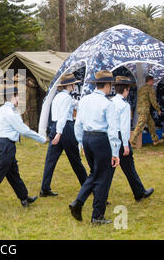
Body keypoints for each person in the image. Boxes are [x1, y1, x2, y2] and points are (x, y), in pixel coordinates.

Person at [0, 86, 47, 213]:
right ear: (13, 97)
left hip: (0, 144)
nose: (19, 99)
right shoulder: (12, 113)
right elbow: (24, 130)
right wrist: (42, 139)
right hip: (6, 146)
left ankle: (24, 197)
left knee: (13, 173)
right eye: (18, 96)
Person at [69, 70, 120, 225]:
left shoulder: (84, 100)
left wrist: (81, 142)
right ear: (108, 85)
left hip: (87, 137)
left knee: (95, 174)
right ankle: (97, 215)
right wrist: (116, 152)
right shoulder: (107, 103)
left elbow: (78, 123)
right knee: (103, 178)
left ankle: (79, 203)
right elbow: (112, 130)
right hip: (101, 140)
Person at [39, 73, 88, 197]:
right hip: (65, 128)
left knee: (51, 159)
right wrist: (59, 133)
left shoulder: (58, 97)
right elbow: (63, 116)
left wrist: (56, 132)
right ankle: (87, 186)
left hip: (56, 127)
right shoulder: (66, 98)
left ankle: (45, 188)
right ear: (70, 85)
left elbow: (74, 104)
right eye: (74, 85)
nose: (74, 87)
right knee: (75, 160)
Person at [111, 76, 154, 201]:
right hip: (119, 137)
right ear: (126, 89)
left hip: (110, 137)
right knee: (129, 166)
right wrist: (125, 144)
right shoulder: (124, 105)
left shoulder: (110, 102)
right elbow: (124, 127)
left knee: (107, 169)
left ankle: (98, 194)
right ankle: (139, 192)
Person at [130, 75, 164, 148]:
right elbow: (153, 101)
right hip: (145, 110)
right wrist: (158, 109)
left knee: (151, 124)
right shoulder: (150, 89)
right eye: (153, 81)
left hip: (140, 109)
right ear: (150, 81)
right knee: (140, 125)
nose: (153, 82)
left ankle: (155, 140)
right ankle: (132, 141)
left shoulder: (141, 88)